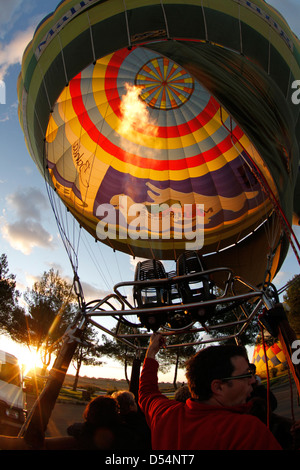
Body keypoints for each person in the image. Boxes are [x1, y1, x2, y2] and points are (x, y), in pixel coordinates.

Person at [138, 333, 283, 450]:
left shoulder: (166, 415)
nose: (252, 380)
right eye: (246, 375)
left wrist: (151, 351)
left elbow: (146, 392)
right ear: (218, 387)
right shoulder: (246, 430)